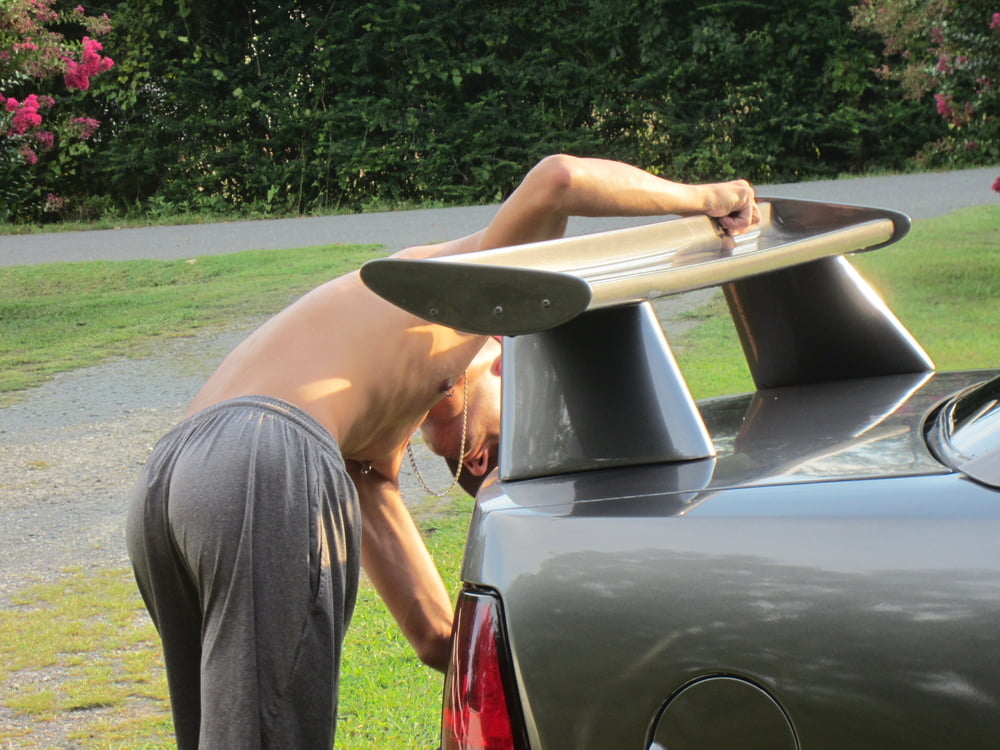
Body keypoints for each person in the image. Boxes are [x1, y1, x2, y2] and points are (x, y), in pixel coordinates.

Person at [126, 154, 759, 749]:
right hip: (259, 456)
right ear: (503, 364)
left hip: (170, 483)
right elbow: (559, 178)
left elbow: (437, 638)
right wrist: (706, 198)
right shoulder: (467, 296)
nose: (476, 464)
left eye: (471, 467)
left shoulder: (365, 460)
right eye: (490, 452)